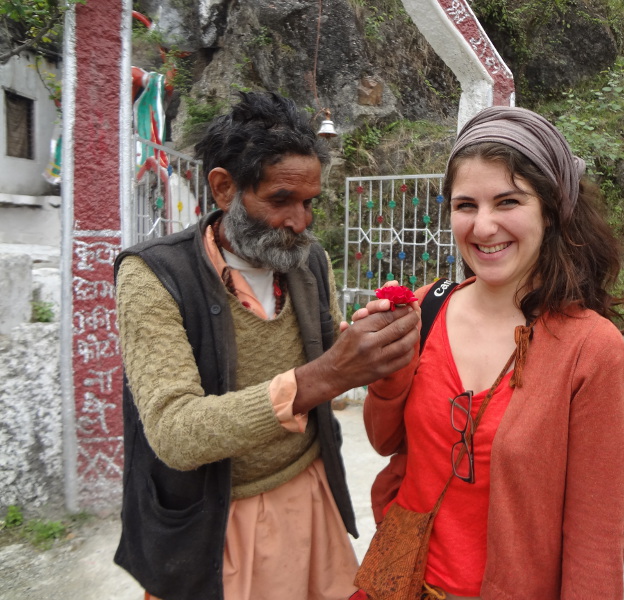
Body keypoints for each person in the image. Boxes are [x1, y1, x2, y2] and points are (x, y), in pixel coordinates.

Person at [113, 91, 419, 600]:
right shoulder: (153, 276)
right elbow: (174, 432)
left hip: (309, 491)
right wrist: (326, 375)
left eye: (309, 204)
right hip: (211, 525)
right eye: (280, 200)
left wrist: (364, 350)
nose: (300, 222)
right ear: (224, 188)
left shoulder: (307, 260)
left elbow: (330, 369)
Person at [360, 106, 624, 599]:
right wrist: (383, 366)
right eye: (466, 205)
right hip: (398, 581)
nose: (483, 227)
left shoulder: (590, 349)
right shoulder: (427, 306)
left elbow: (596, 533)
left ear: (552, 210)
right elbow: (385, 442)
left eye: (507, 202)